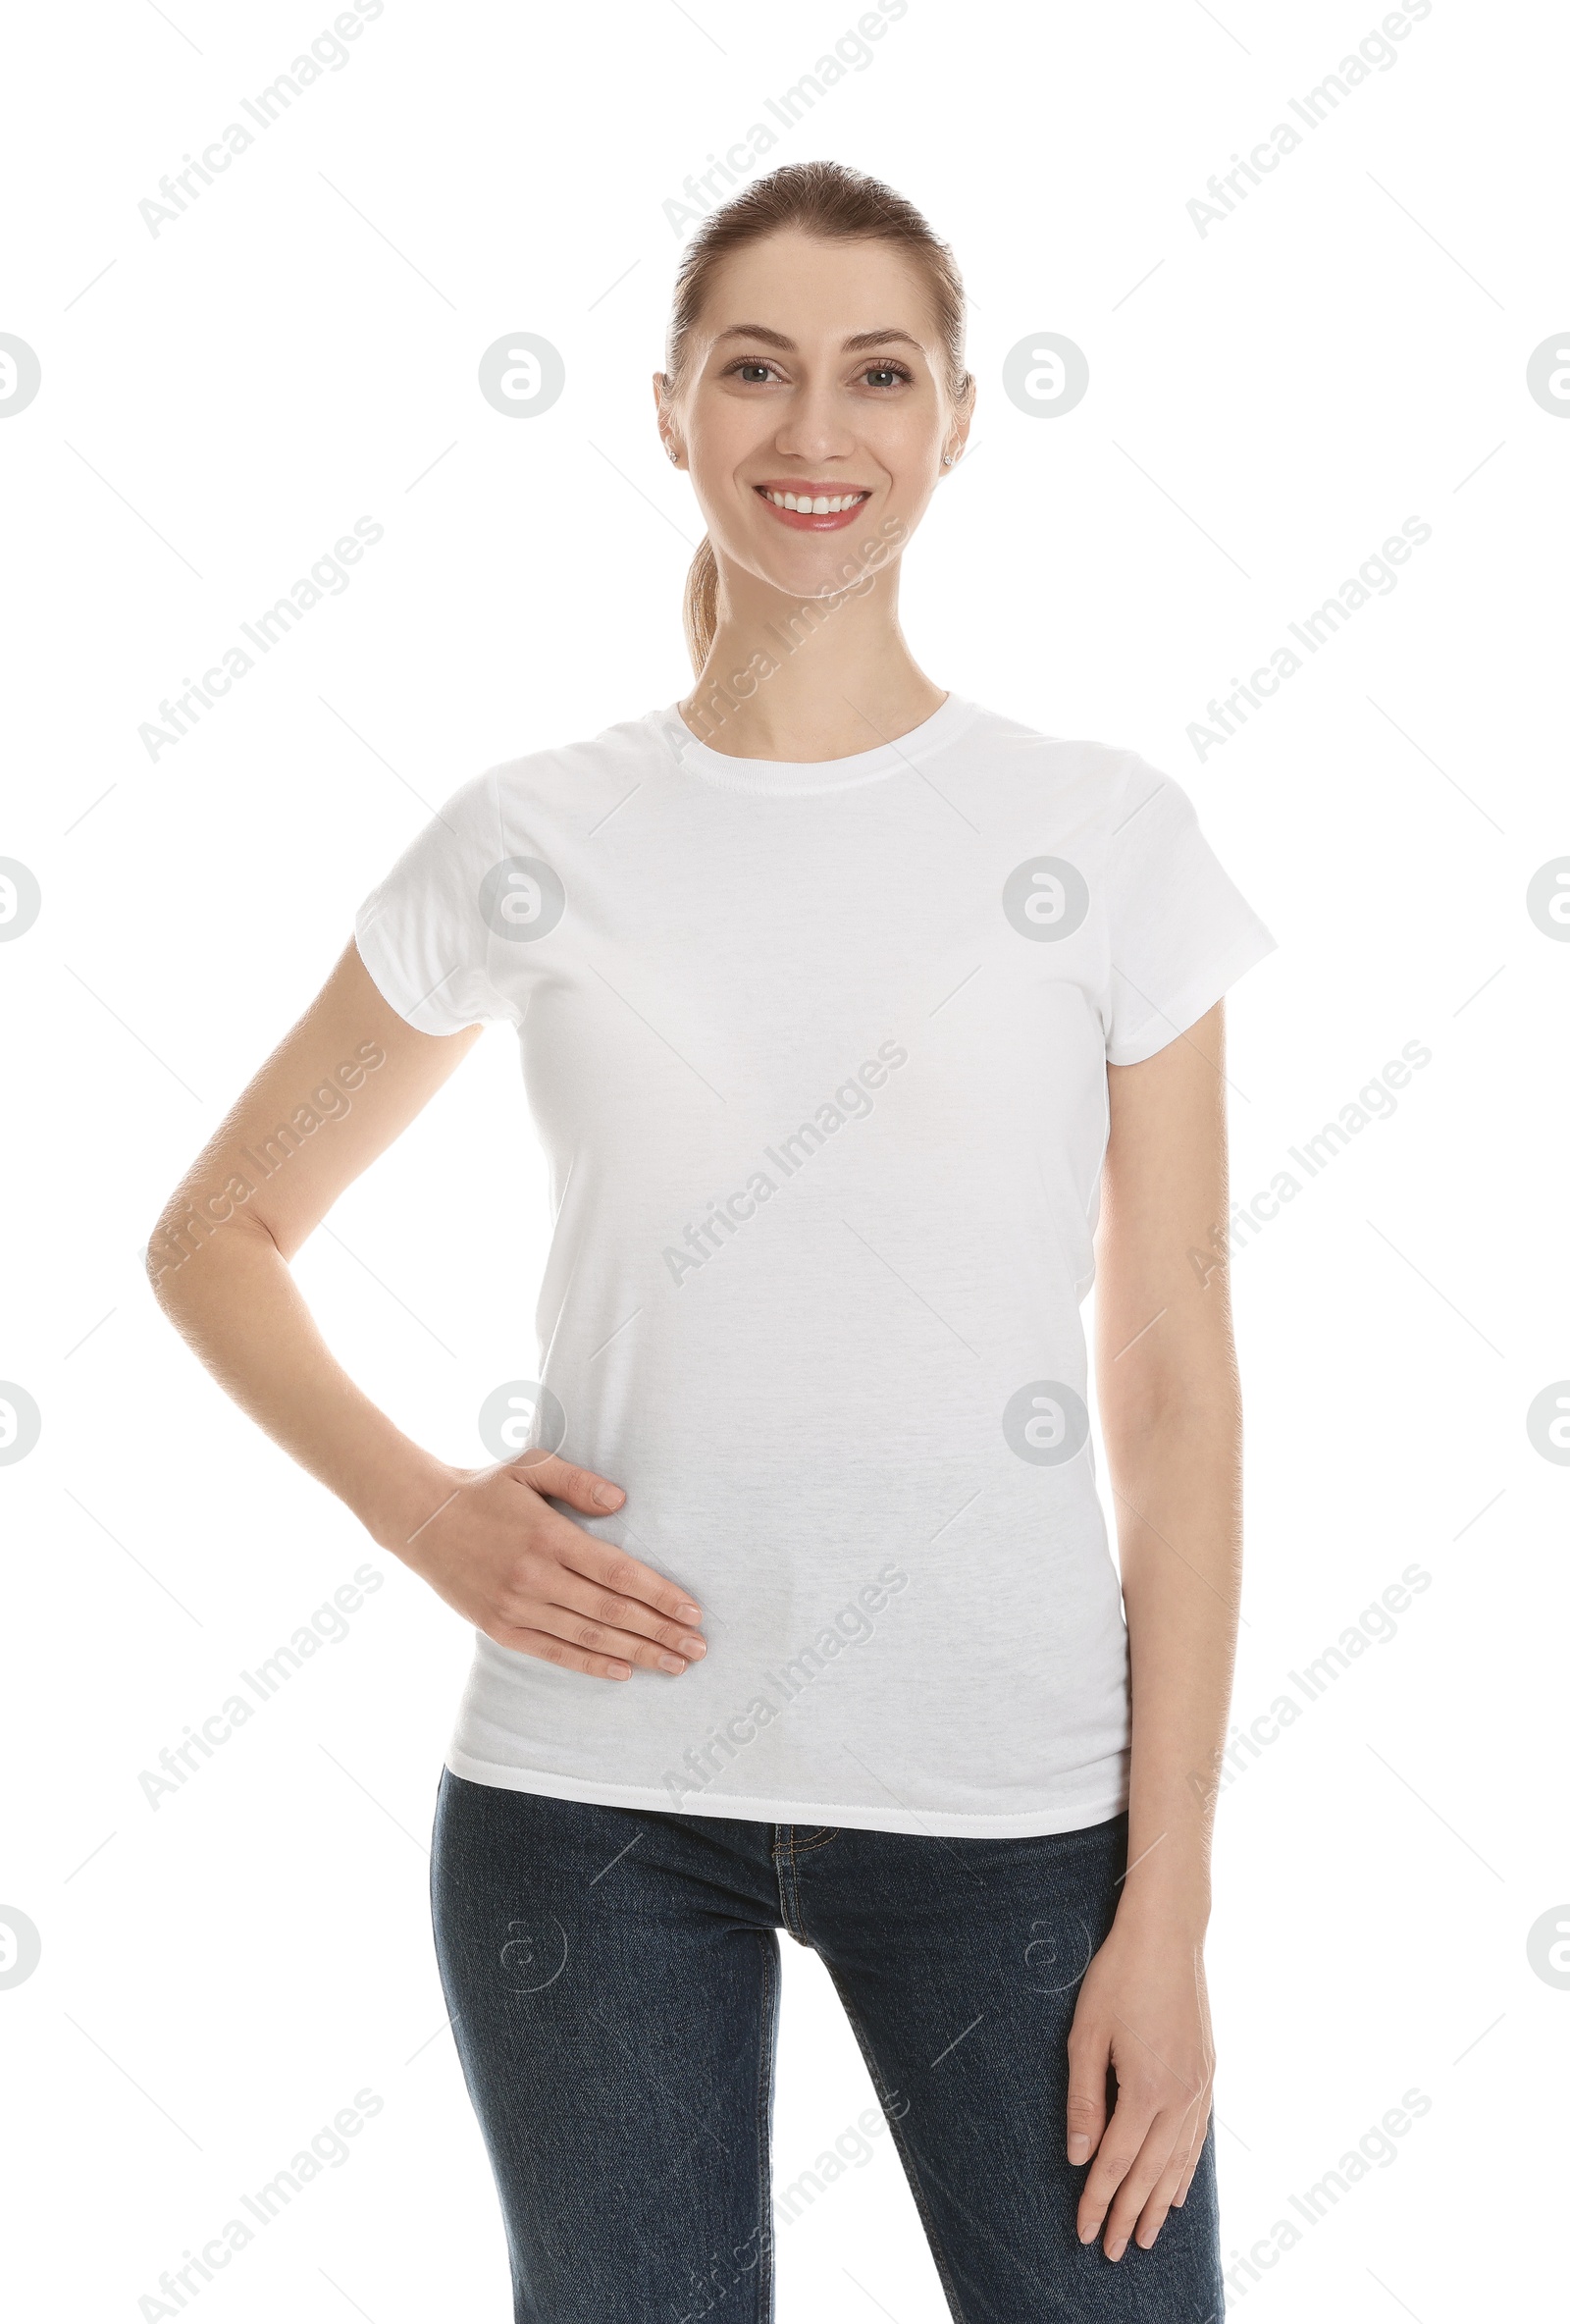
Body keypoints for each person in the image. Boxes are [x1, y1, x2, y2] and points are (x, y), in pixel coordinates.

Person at [149, 159, 1275, 2323]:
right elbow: (219, 1229)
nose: (810, 431)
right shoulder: (532, 837)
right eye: (752, 370)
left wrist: (1172, 1899)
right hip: (589, 1806)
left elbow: (1173, 1384)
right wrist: (426, 1516)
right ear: (667, 410)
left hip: (1011, 1799)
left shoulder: (1102, 836)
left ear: (955, 418)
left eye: (874, 374)